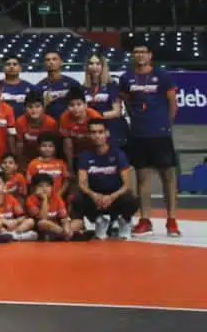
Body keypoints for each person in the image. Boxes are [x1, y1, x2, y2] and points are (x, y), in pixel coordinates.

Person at [118, 43, 181, 237]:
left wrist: (165, 124)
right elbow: (127, 104)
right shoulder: (126, 78)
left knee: (168, 177)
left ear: (150, 55)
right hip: (139, 134)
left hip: (160, 133)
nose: (139, 55)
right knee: (142, 178)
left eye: (143, 52)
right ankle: (145, 220)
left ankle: (172, 221)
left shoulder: (162, 76)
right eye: (136, 52)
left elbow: (172, 102)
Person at [73, 120, 139, 240]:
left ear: (107, 133)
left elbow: (127, 184)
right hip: (95, 198)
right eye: (93, 132)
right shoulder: (84, 156)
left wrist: (112, 196)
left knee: (131, 198)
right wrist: (94, 195)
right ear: (89, 135)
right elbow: (82, 184)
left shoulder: (119, 154)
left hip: (114, 196)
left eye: (100, 132)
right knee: (77, 199)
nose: (97, 136)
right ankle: (100, 221)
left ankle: (124, 221)